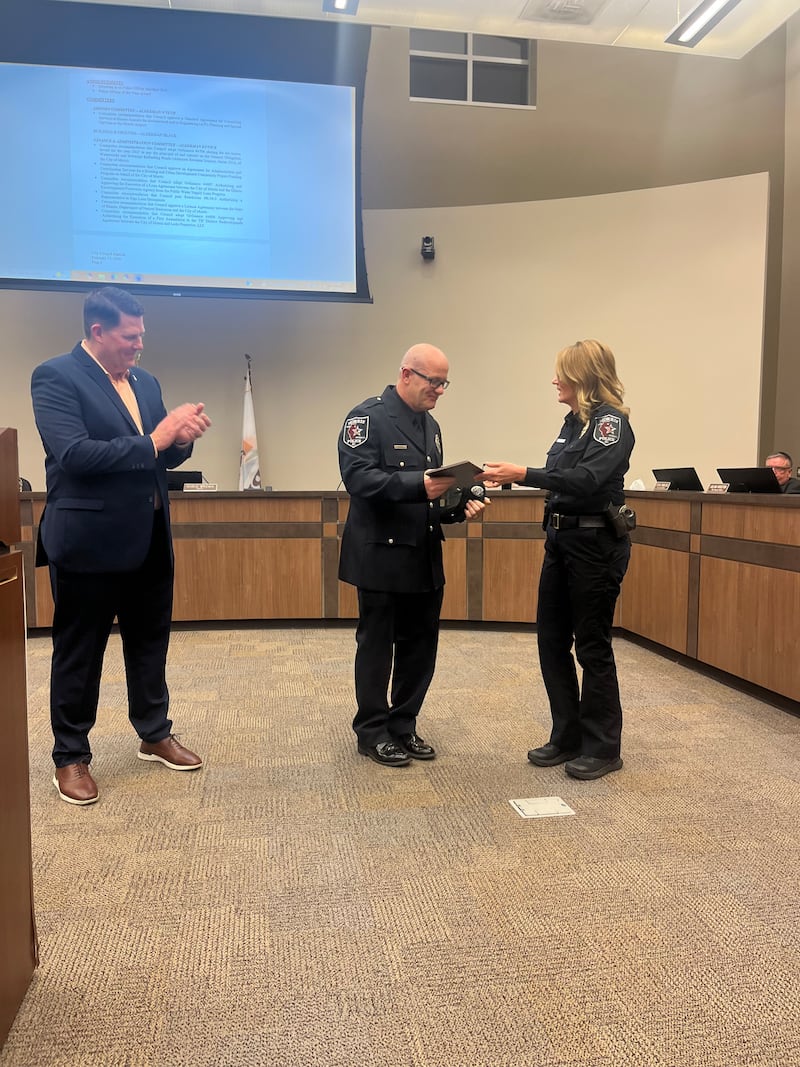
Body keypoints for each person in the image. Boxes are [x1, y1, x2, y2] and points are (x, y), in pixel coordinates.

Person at [31, 286, 211, 805]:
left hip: (149, 539)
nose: (138, 346)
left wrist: (180, 439)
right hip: (88, 542)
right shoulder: (56, 377)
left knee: (150, 642)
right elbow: (75, 455)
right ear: (97, 331)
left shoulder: (145, 381)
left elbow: (158, 460)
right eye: (130, 337)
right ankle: (70, 755)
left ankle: (154, 733)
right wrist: (159, 436)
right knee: (79, 653)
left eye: (141, 335)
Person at [482, 339, 634, 781]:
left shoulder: (611, 425)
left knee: (590, 644)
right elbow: (564, 477)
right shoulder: (573, 423)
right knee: (551, 641)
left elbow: (587, 481)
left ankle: (603, 747)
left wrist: (523, 474)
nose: (555, 380)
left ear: (584, 377)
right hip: (560, 540)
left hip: (594, 547)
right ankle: (567, 736)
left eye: (561, 373)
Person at [338, 343, 486, 767]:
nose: (439, 390)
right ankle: (372, 732)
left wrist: (457, 506)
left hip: (422, 553)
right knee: (377, 645)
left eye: (444, 383)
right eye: (433, 381)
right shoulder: (366, 418)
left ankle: (404, 725)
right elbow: (359, 479)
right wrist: (419, 485)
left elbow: (431, 495)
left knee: (420, 646)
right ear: (406, 374)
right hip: (381, 555)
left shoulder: (431, 426)